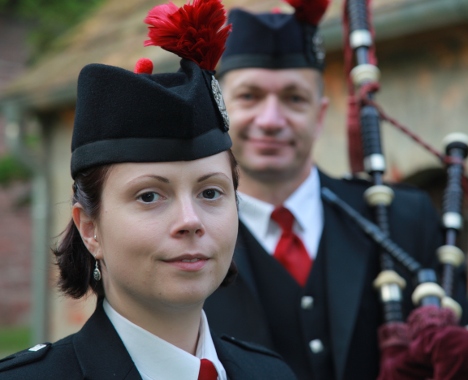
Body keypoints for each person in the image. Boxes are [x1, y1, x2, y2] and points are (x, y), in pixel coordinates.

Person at [204, 2, 468, 380]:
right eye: (249, 97)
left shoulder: (403, 219)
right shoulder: (188, 237)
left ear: (320, 115)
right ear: (219, 111)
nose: (271, 120)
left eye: (294, 98)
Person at [0, 1, 296, 379]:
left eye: (210, 193)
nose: (190, 222)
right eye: (149, 196)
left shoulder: (271, 373)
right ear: (90, 228)